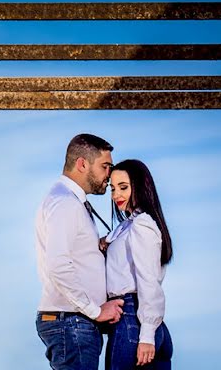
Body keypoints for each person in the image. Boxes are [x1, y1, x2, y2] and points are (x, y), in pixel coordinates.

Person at [36, 133, 123, 369]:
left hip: (73, 322)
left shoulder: (69, 201)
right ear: (82, 164)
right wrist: (95, 311)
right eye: (105, 166)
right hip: (72, 322)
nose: (110, 175)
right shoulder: (65, 202)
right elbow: (58, 265)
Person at [101, 159, 174, 369]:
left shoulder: (142, 225)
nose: (116, 195)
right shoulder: (129, 225)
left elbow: (148, 281)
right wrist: (105, 242)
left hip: (134, 320)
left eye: (123, 187)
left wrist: (147, 335)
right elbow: (116, 237)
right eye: (112, 189)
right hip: (141, 321)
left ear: (140, 186)